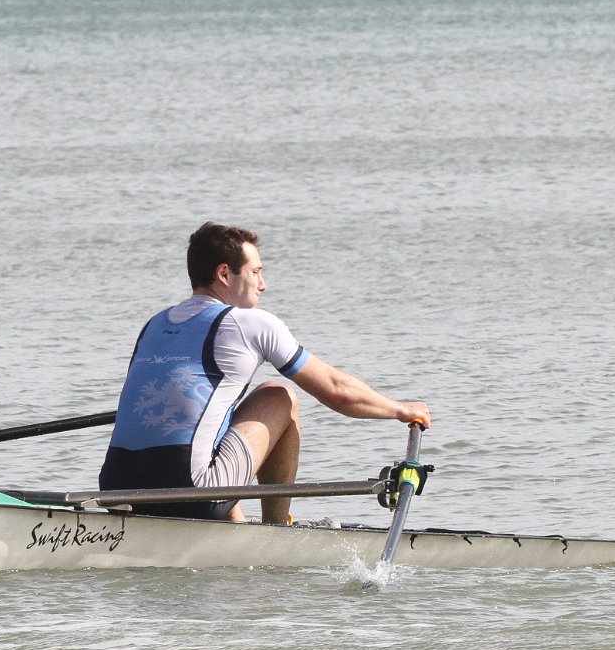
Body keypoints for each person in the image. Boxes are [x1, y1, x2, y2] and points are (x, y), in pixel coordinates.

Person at [99, 222, 431, 524]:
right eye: (256, 272)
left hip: (117, 489)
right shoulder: (251, 324)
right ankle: (275, 528)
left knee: (215, 410)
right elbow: (335, 390)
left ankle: (235, 527)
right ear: (225, 274)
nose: (263, 285)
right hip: (189, 493)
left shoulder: (155, 324)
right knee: (279, 394)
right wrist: (401, 410)